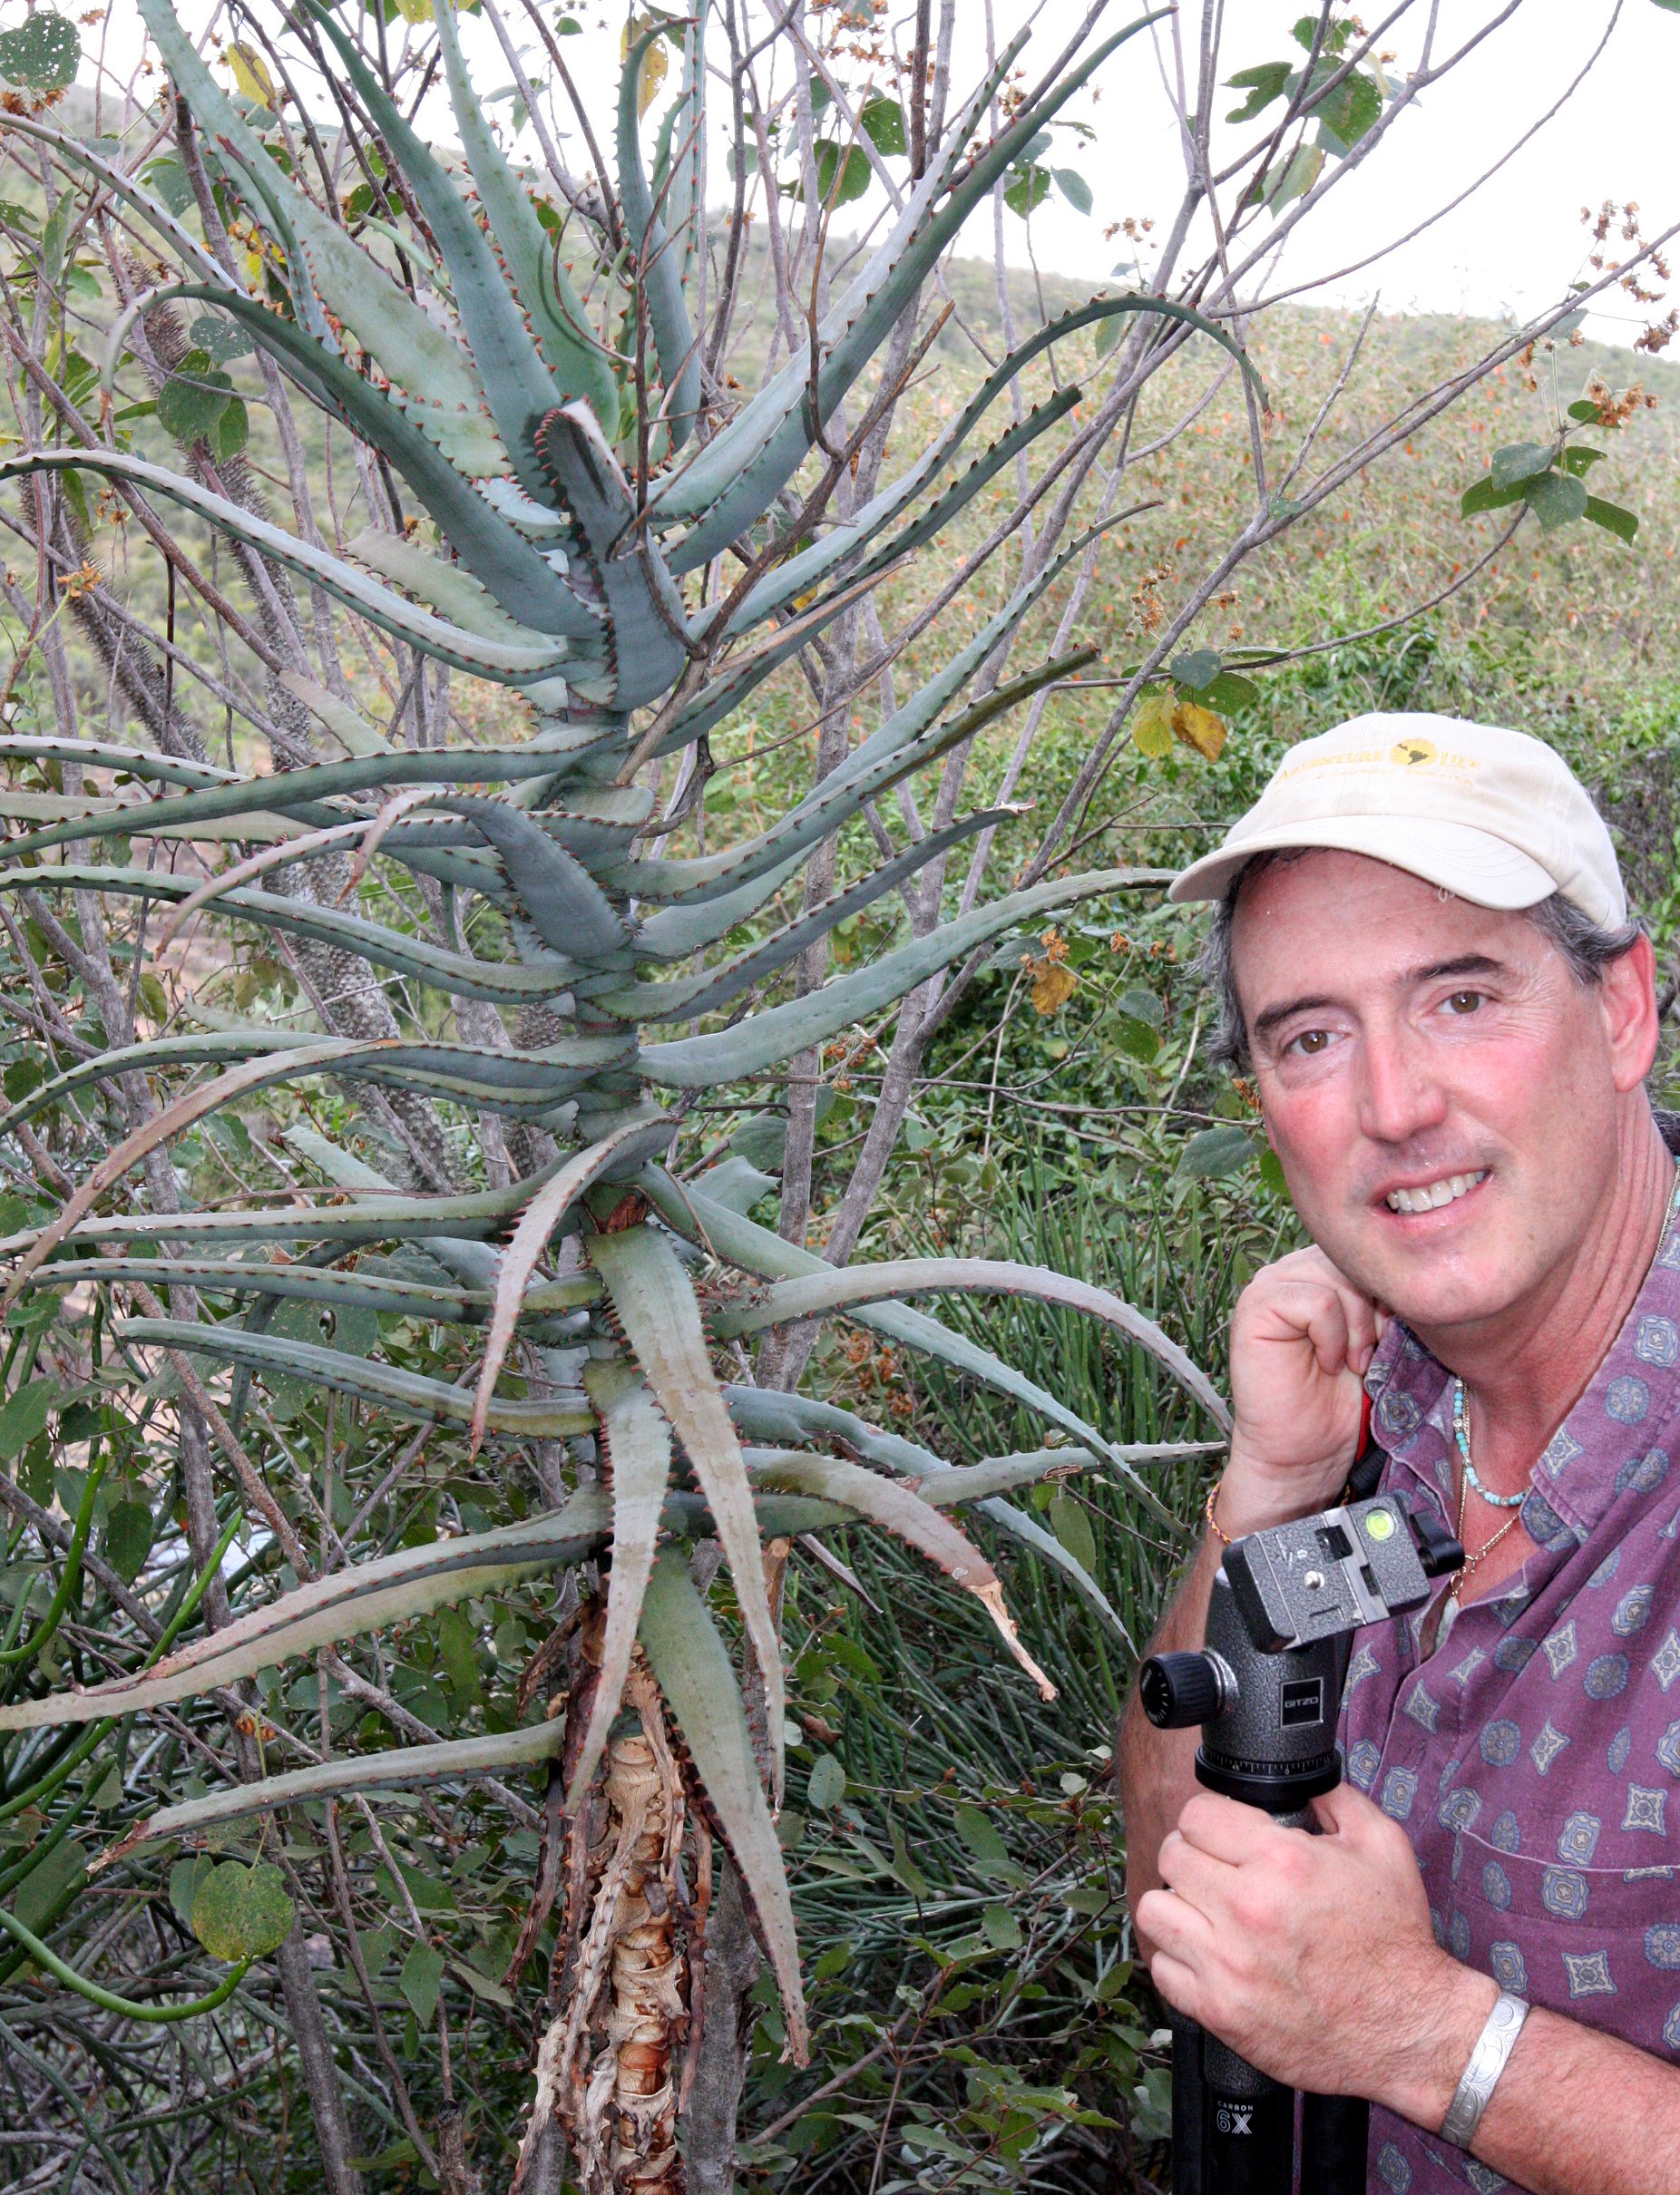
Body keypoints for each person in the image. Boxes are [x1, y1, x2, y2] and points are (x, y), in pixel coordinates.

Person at [1117, 712, 1680, 2195]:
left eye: (1461, 999)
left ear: (1623, 1009)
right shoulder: (1377, 1397)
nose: (1393, 1106)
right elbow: (1181, 1906)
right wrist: (1269, 1499)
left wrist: (1429, 2037)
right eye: (1311, 1035)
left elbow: (1372, 2022)